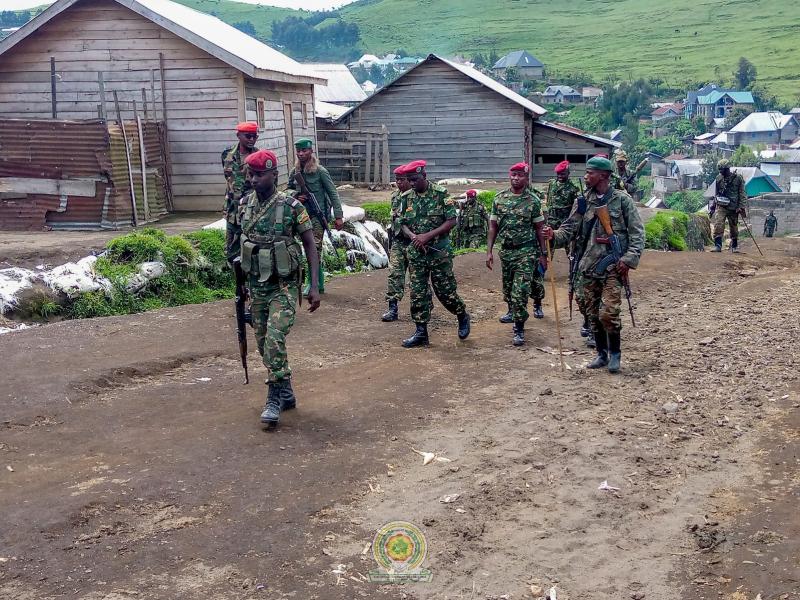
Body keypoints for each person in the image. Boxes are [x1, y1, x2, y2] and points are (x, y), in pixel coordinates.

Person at [234, 149, 321, 427]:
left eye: (259, 174)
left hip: (284, 286)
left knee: (274, 338)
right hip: (256, 286)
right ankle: (286, 390)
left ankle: (273, 398)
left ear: (274, 175)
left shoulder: (292, 206)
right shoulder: (245, 204)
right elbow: (240, 241)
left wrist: (314, 286)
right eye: (251, 174)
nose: (253, 179)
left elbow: (310, 245)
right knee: (262, 344)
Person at [543, 156, 644, 374]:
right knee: (591, 314)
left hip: (612, 267)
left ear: (604, 176)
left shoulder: (621, 200)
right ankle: (601, 353)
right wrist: (553, 235)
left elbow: (637, 234)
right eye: (586, 172)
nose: (586, 176)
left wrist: (628, 259)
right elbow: (568, 229)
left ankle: (615, 354)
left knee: (608, 312)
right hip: (586, 267)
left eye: (590, 173)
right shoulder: (582, 201)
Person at [397, 160, 471, 347]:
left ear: (424, 176)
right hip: (417, 253)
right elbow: (402, 223)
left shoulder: (441, 194)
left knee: (445, 291)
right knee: (417, 293)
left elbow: (451, 221)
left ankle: (461, 314)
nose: (412, 183)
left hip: (439, 252)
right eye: (409, 180)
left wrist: (427, 236)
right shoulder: (406, 198)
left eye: (415, 179)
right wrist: (414, 236)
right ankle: (421, 331)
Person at [485, 162, 548, 346]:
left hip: (526, 251)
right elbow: (493, 227)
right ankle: (512, 311)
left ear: (526, 178)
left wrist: (543, 253)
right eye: (513, 175)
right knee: (508, 287)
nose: (515, 178)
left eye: (520, 175)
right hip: (506, 251)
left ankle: (519, 328)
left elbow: (539, 228)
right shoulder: (499, 199)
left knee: (520, 291)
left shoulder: (533, 201)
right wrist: (489, 251)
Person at [287, 138, 344, 294]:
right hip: (301, 216)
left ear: (311, 151)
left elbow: (333, 193)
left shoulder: (320, 171)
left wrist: (338, 216)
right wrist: (296, 195)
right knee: (306, 248)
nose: (301, 153)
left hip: (318, 216)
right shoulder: (295, 171)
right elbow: (287, 190)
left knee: (315, 247)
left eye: (304, 150)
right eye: (298, 151)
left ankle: (312, 283)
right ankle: (318, 282)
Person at [221, 122, 259, 262]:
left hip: (252, 211)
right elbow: (228, 180)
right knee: (231, 251)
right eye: (248, 136)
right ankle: (236, 281)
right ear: (238, 135)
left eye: (254, 136)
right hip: (232, 211)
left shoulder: (258, 156)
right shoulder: (227, 155)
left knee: (252, 248)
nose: (251, 140)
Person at [381, 164, 412, 322]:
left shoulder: (415, 196)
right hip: (399, 241)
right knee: (394, 275)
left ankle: (421, 308)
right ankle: (392, 308)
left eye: (402, 180)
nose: (399, 183)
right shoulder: (395, 196)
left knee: (416, 277)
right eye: (397, 180)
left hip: (414, 242)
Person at [709, 159, 747, 252]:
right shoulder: (718, 178)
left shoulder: (738, 178)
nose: (721, 172)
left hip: (734, 207)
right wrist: (713, 207)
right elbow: (716, 194)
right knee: (718, 224)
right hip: (721, 206)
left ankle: (734, 246)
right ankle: (718, 245)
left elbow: (742, 193)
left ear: (727, 169)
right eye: (720, 170)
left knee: (733, 227)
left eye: (722, 170)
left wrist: (740, 207)